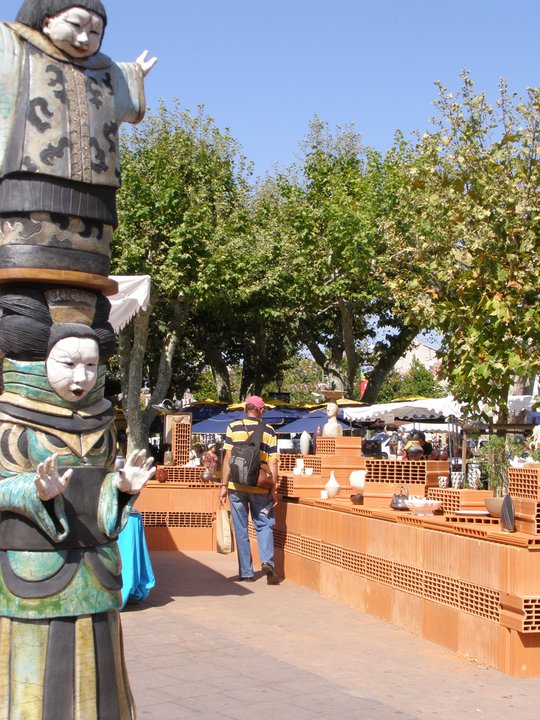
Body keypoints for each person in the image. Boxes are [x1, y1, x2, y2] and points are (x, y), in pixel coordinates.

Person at [0, 0, 157, 290]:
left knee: (86, 291)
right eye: (75, 25)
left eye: (95, 32)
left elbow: (123, 90)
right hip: (26, 192)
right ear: (45, 21)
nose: (84, 38)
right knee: (23, 296)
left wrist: (133, 74)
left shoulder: (104, 72)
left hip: (96, 203)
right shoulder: (15, 49)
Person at [219, 396, 279, 584]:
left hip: (236, 486)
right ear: (260, 410)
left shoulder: (233, 427)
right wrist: (274, 487)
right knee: (264, 524)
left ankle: (246, 573)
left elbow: (228, 456)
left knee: (241, 528)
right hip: (260, 487)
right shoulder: (269, 431)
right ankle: (267, 560)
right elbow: (273, 461)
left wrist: (223, 485)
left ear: (246, 409)